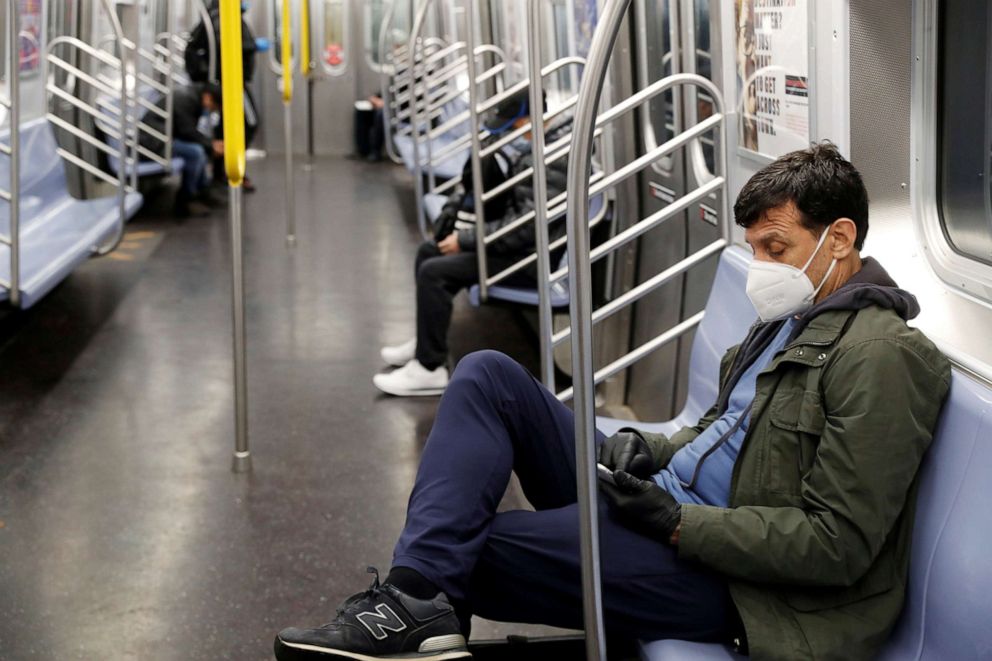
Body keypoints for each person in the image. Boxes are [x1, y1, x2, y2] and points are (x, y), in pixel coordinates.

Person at [274, 143, 951, 661]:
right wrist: (647, 448)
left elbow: (836, 545)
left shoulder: (881, 356)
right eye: (756, 251)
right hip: (663, 502)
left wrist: (678, 522)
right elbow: (718, 427)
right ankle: (414, 600)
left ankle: (413, 602)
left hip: (742, 584)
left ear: (838, 239)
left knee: (472, 547)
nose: (765, 269)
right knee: (485, 375)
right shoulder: (790, 317)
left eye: (778, 248)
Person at [373, 88, 569, 397]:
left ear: (525, 123)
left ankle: (430, 369)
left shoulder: (552, 158)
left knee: (434, 273)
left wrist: (466, 241)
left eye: (511, 128)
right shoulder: (530, 149)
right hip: (516, 248)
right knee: (428, 252)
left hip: (531, 259)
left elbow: (528, 227)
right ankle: (427, 342)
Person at [185, 0, 259, 192]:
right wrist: (207, 80)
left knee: (226, 126)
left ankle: (224, 169)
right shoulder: (219, 17)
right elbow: (194, 50)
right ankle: (229, 168)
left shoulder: (228, 17)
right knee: (249, 123)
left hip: (233, 81)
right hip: (231, 83)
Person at [142, 83, 224, 217]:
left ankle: (202, 191)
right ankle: (187, 198)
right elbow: (187, 130)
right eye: (213, 108)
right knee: (195, 152)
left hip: (165, 138)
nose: (211, 111)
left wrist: (209, 144)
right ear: (208, 98)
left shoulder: (192, 98)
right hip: (154, 144)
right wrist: (211, 144)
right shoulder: (185, 99)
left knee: (199, 150)